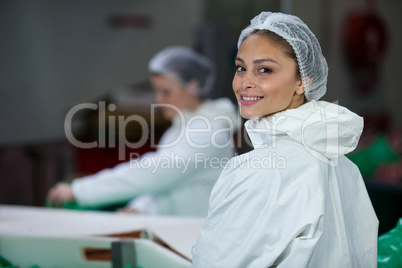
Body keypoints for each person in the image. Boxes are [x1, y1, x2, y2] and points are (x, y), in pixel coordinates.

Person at [192, 12, 378, 267]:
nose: (245, 82)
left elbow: (213, 262)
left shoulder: (261, 169)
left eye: (264, 70)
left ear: (303, 81)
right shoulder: (342, 164)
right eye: (240, 68)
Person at [47, 46, 239, 217]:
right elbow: (169, 184)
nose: (158, 99)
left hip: (197, 237)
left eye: (166, 92)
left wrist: (80, 191)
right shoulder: (180, 129)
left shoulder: (208, 133)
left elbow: (154, 173)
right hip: (181, 233)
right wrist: (141, 208)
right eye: (157, 91)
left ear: (192, 87)